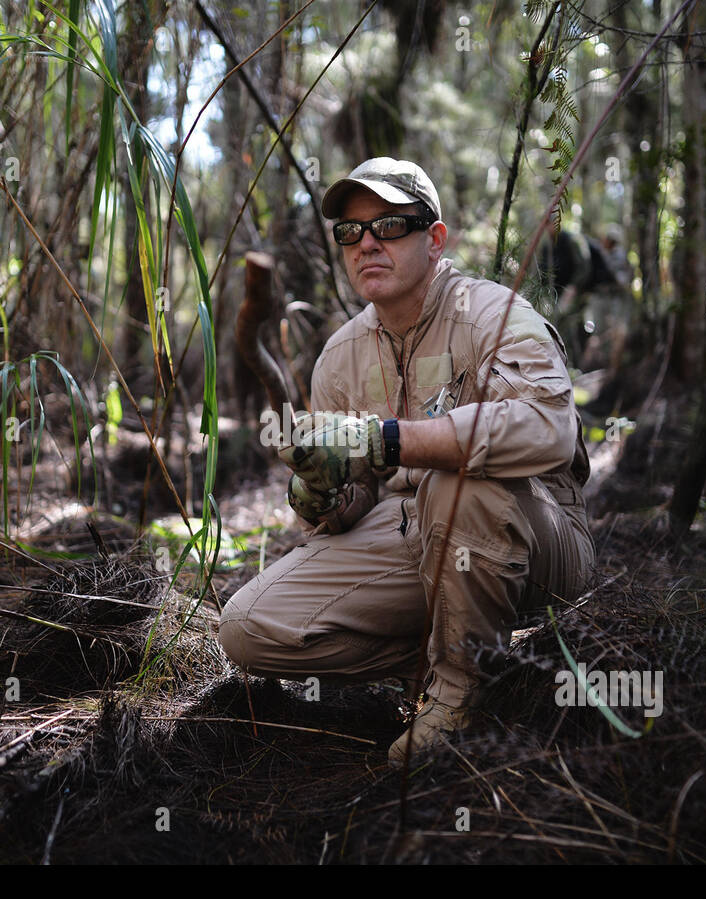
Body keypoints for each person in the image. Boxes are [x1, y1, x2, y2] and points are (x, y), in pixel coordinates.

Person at [217, 157, 596, 768]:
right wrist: (327, 497)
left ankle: (457, 697)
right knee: (247, 629)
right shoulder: (340, 356)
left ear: (435, 238)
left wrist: (387, 440)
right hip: (415, 538)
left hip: (539, 540)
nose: (367, 242)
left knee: (456, 483)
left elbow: (549, 430)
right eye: (350, 231)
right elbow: (361, 496)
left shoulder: (492, 315)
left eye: (390, 226)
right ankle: (469, 652)